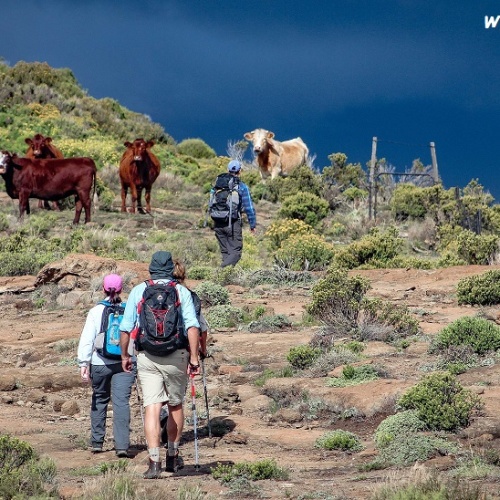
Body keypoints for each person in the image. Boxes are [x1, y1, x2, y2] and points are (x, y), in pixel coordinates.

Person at [119, 251, 201, 479]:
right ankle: (172, 458)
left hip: (147, 354)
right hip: (177, 354)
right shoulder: (181, 291)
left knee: (152, 407)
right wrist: (194, 358)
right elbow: (192, 326)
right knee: (175, 405)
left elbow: (125, 328)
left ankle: (154, 463)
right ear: (170, 268)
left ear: (152, 268)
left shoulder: (139, 290)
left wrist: (124, 355)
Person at [77, 274, 136, 458]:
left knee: (100, 399)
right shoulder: (130, 310)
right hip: (125, 363)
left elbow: (87, 339)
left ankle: (96, 442)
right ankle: (122, 446)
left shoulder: (96, 312)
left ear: (103, 289)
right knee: (121, 403)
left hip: (99, 363)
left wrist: (83, 363)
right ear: (121, 289)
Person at [212, 159, 256, 267]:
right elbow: (249, 208)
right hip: (233, 223)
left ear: (228, 170)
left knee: (226, 253)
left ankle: (225, 280)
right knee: (236, 252)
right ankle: (220, 272)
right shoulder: (242, 186)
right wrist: (252, 225)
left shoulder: (218, 185)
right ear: (240, 171)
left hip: (217, 222)